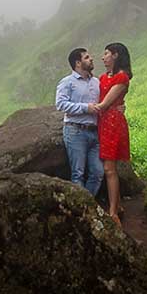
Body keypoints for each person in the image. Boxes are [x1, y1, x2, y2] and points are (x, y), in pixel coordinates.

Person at [91, 42, 132, 227]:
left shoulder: (122, 77)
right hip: (103, 122)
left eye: (106, 53)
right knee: (108, 167)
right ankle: (118, 206)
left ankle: (113, 211)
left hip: (112, 123)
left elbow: (104, 104)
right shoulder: (102, 77)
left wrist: (79, 109)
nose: (103, 57)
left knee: (109, 169)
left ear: (115, 55)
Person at [55, 48, 103, 196]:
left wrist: (119, 106)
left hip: (94, 132)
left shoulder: (96, 82)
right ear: (78, 63)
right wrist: (85, 108)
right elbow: (60, 104)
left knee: (98, 172)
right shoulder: (67, 82)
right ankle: (84, 213)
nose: (91, 59)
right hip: (75, 131)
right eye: (87, 57)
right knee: (78, 174)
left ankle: (88, 207)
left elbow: (103, 103)